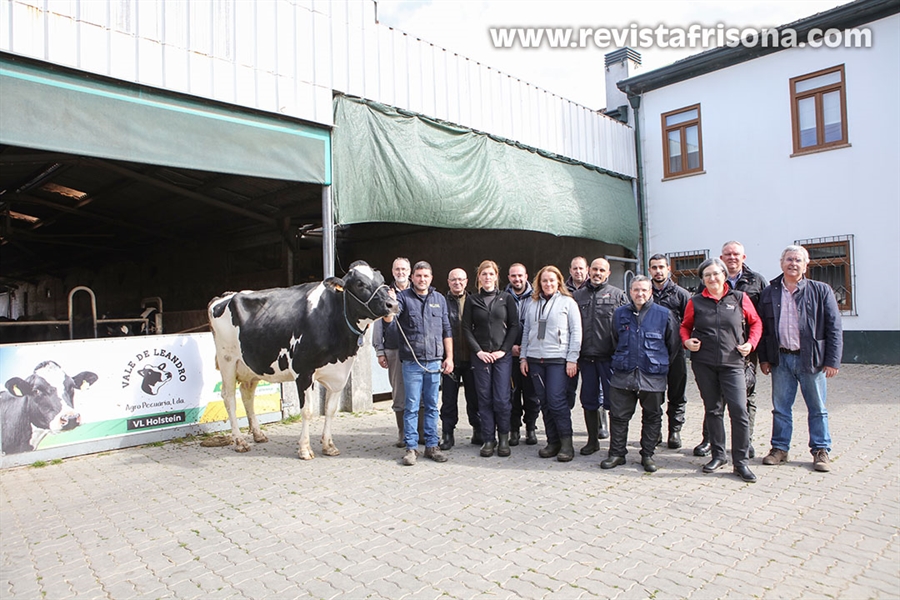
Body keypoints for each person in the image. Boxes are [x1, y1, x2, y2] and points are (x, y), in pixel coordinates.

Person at [758, 245, 842, 473]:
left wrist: (832, 360)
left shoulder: (821, 290)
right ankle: (779, 449)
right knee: (781, 408)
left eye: (798, 260)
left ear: (806, 265)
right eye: (788, 259)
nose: (792, 263)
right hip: (781, 360)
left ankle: (820, 450)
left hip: (811, 360)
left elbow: (834, 327)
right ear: (781, 263)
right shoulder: (770, 292)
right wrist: (764, 359)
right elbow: (764, 329)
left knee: (817, 408)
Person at [681, 257, 762, 483]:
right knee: (713, 410)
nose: (712, 278)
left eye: (716, 274)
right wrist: (686, 341)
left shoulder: (739, 298)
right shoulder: (695, 301)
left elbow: (756, 323)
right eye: (707, 275)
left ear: (724, 276)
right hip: (704, 364)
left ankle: (741, 462)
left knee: (739, 411)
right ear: (703, 280)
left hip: (734, 363)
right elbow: (685, 326)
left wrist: (751, 344)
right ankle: (718, 455)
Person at [600, 276, 681, 473]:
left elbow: (673, 346)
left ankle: (647, 455)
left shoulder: (664, 315)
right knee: (618, 416)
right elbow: (614, 341)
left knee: (652, 416)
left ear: (650, 291)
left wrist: (658, 364)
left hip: (652, 376)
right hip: (623, 374)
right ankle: (617, 453)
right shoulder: (619, 314)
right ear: (630, 291)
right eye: (636, 290)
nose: (640, 294)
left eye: (644, 290)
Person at [385, 261, 453, 466]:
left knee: (432, 406)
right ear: (412, 277)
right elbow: (389, 320)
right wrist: (389, 304)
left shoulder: (439, 299)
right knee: (412, 407)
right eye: (418, 275)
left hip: (434, 363)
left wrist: (449, 358)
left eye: (426, 276)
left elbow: (446, 330)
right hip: (412, 363)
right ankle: (411, 448)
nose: (422, 279)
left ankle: (432, 446)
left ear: (431, 278)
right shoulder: (403, 298)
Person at [520, 265, 582, 462]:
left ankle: (566, 443)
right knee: (544, 403)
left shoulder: (568, 303)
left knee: (557, 401)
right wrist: (523, 356)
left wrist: (572, 358)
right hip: (535, 359)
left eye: (551, 281)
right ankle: (552, 441)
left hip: (558, 359)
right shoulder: (532, 304)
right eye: (544, 281)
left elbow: (576, 332)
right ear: (539, 283)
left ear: (558, 283)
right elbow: (526, 332)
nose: (548, 284)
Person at [462, 260, 520, 457]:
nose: (487, 277)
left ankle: (504, 438)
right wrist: (478, 351)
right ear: (479, 277)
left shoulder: (506, 298)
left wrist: (504, 350)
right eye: (484, 274)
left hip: (501, 356)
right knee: (484, 398)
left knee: (502, 399)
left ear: (496, 277)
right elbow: (466, 328)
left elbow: (514, 326)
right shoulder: (472, 300)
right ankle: (488, 439)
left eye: (491, 274)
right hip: (481, 357)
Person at [716, 240, 768, 459]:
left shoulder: (756, 281)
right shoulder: (712, 277)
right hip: (718, 348)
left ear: (743, 257)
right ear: (721, 258)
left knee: (747, 394)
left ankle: (745, 442)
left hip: (747, 350)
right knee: (715, 396)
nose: (732, 257)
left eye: (736, 254)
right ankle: (711, 440)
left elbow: (763, 318)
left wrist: (759, 350)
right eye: (727, 254)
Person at [573, 257, 626, 455]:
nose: (597, 273)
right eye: (594, 269)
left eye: (601, 270)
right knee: (588, 400)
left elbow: (625, 328)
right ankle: (592, 441)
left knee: (614, 402)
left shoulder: (618, 295)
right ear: (589, 270)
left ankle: (616, 444)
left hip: (610, 359)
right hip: (586, 359)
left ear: (608, 273)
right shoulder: (577, 296)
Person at [648, 253, 692, 449]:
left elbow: (690, 323)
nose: (658, 271)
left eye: (661, 267)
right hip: (650, 354)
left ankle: (675, 430)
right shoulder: (643, 291)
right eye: (654, 267)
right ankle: (654, 431)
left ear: (668, 269)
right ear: (649, 270)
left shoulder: (681, 294)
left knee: (677, 394)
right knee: (652, 394)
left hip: (675, 354)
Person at [439, 268, 480, 450]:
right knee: (448, 399)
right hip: (450, 360)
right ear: (448, 282)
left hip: (472, 359)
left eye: (461, 280)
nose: (457, 283)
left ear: (467, 281)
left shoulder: (474, 301)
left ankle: (478, 430)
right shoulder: (441, 302)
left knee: (475, 398)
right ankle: (448, 434)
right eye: (454, 280)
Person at [372, 257, 411, 447]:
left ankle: (419, 432)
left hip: (416, 351)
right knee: (398, 392)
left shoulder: (418, 291)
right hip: (394, 349)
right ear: (392, 271)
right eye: (397, 269)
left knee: (418, 392)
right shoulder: (386, 293)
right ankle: (402, 434)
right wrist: (380, 350)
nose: (401, 272)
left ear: (409, 271)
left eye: (404, 269)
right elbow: (378, 323)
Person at [506, 263, 540, 446]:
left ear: (526, 276)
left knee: (531, 394)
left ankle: (530, 428)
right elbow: (498, 326)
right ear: (509, 277)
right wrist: (509, 347)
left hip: (531, 355)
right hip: (509, 356)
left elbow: (540, 327)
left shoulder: (537, 298)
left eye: (520, 275)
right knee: (511, 394)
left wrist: (528, 349)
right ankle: (514, 429)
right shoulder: (502, 297)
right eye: (513, 276)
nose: (517, 279)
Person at [564, 256, 589, 410]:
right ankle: (565, 421)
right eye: (575, 268)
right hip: (568, 346)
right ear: (570, 270)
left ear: (587, 270)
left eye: (581, 268)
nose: (578, 271)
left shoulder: (594, 288)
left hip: (590, 345)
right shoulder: (562, 290)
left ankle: (600, 422)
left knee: (592, 388)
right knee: (568, 387)